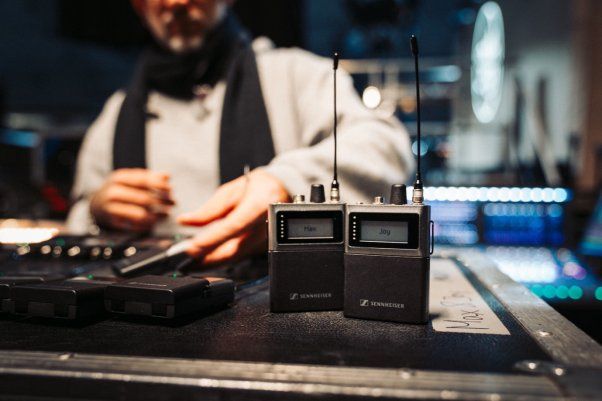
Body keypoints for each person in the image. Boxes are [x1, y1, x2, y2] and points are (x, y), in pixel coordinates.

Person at [67, 0, 414, 266]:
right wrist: (98, 210)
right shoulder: (118, 111)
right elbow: (77, 217)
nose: (173, 3)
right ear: (138, 7)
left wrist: (286, 185)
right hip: (146, 307)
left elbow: (386, 145)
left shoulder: (295, 75)